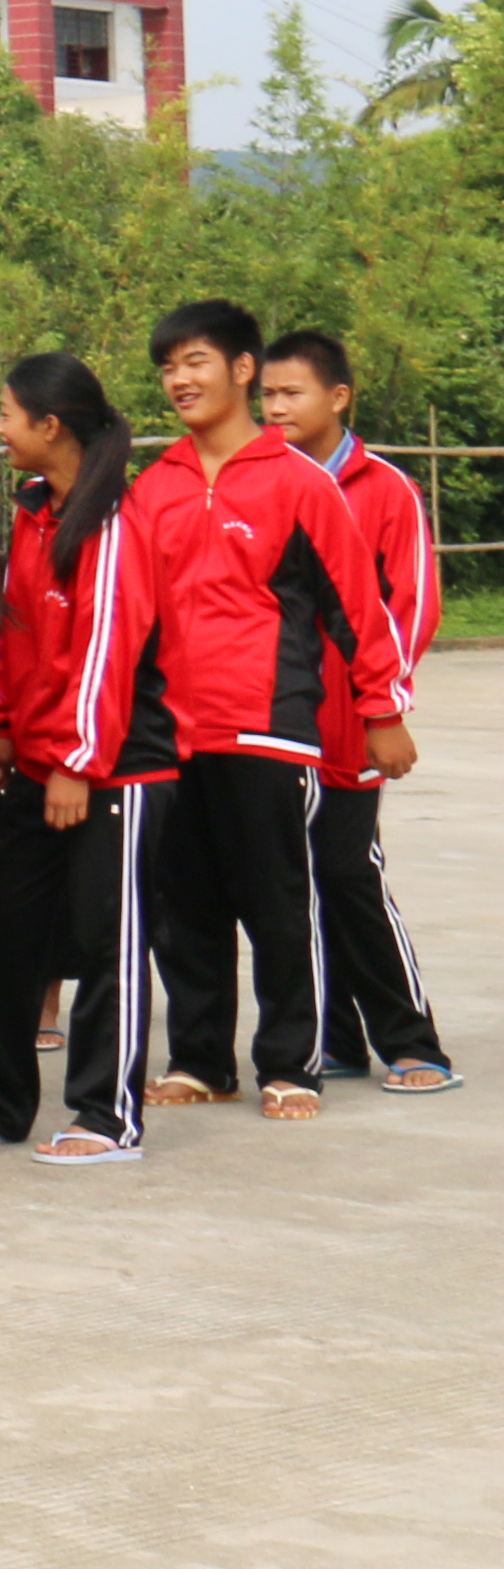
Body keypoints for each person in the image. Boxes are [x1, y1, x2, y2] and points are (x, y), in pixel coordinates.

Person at [120, 301, 414, 1122]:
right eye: (168, 366)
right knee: (185, 910)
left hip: (269, 723)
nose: (179, 379)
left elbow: (358, 606)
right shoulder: (156, 486)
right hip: (172, 734)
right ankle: (202, 1060)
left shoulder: (300, 483)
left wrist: (381, 706)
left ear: (244, 370)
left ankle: (292, 1063)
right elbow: (132, 615)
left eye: (196, 362)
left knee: (279, 902)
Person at [257, 332, 452, 1091]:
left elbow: (413, 607)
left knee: (348, 870)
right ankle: (335, 1039)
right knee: (297, 881)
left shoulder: (385, 491)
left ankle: (413, 1040)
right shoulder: (259, 484)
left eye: (292, 393)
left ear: (339, 398)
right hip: (278, 724)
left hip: (352, 722)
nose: (276, 408)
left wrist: (382, 704)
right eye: (267, 395)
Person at [0, 354, 158, 1162]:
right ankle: (0, 1101)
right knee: (6, 934)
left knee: (108, 942)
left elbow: (106, 647)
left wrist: (79, 763)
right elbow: (18, 635)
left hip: (115, 768)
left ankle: (107, 1115)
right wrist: (7, 726)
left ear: (51, 425)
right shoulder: (32, 512)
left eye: (8, 412)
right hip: (43, 761)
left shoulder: (114, 518)